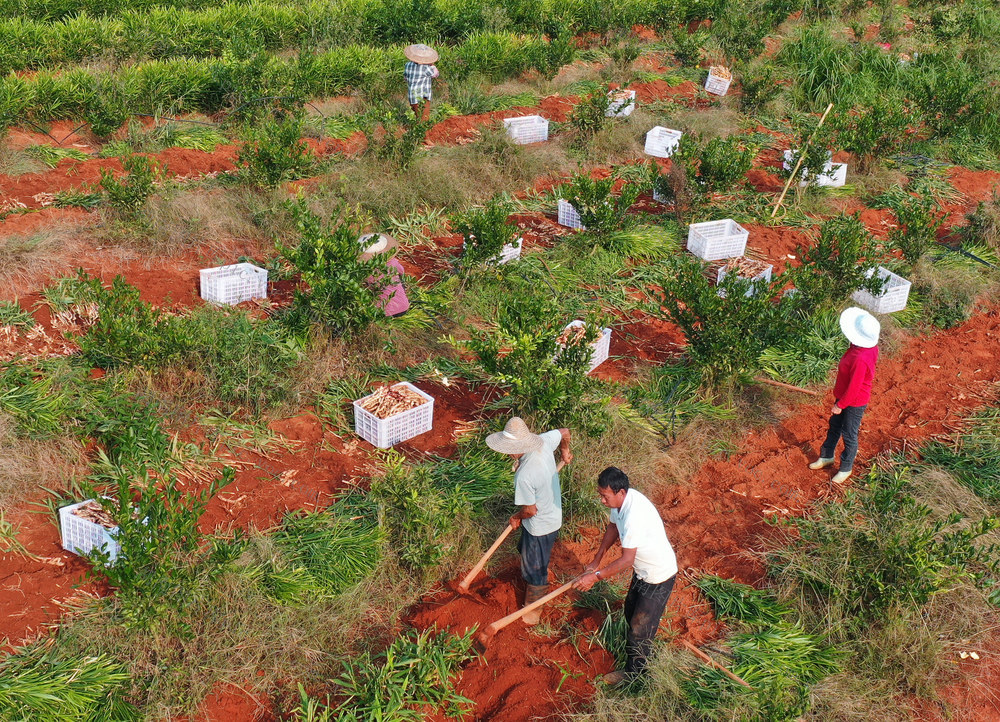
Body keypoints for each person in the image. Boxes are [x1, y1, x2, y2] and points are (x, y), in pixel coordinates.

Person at [575, 466, 677, 686]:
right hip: (642, 573)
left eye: (605, 496)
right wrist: (596, 559)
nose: (602, 500)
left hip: (658, 577)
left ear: (620, 492)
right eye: (600, 495)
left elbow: (626, 560)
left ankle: (636, 675)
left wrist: (595, 577)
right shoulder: (621, 503)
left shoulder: (633, 515)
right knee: (631, 613)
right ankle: (638, 650)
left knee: (640, 629)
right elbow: (612, 527)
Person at [486, 417, 572, 625]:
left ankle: (534, 606)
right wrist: (564, 451)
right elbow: (565, 431)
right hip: (551, 514)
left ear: (515, 448)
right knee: (525, 549)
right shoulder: (543, 441)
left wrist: (516, 517)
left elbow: (530, 511)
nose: (506, 453)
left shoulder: (524, 475)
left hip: (541, 525)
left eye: (508, 449)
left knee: (534, 568)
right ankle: (534, 572)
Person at [809, 306, 880, 483]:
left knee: (849, 433)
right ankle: (826, 456)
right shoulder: (863, 348)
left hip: (854, 401)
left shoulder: (861, 358)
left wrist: (840, 405)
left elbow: (855, 387)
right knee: (834, 426)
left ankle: (846, 467)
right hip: (845, 395)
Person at [359, 233, 409, 317]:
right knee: (399, 280)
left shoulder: (367, 271)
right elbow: (401, 272)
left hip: (383, 313)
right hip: (404, 307)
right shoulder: (393, 262)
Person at [403, 43, 439, 121]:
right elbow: (435, 75)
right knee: (424, 120)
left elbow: (405, 77)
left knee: (417, 117)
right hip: (423, 97)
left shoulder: (407, 65)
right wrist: (433, 66)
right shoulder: (425, 68)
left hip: (412, 96)